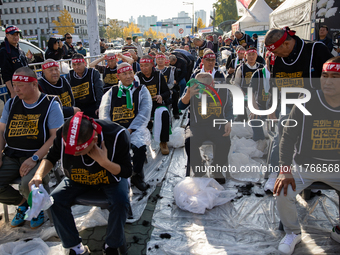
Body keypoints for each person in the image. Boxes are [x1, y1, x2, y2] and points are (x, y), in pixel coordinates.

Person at [29, 112, 132, 255]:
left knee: (121, 201)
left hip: (110, 178)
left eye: (80, 152)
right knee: (55, 201)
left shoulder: (116, 135)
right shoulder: (62, 133)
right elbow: (51, 157)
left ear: (94, 139)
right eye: (72, 152)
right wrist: (38, 175)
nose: (75, 155)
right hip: (78, 178)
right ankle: (75, 247)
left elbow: (126, 171)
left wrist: (104, 162)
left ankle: (111, 245)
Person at [273, 56, 340, 255]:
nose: (327, 81)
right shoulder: (307, 101)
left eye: (335, 77)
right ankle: (293, 232)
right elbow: (287, 136)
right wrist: (284, 169)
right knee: (283, 191)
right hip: (305, 166)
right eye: (325, 75)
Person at [0, 67, 63, 229]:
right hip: (12, 154)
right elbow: (1, 131)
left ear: (34, 84)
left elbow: (55, 137)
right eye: (14, 85)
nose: (15, 89)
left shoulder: (50, 104)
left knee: (28, 184)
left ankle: (38, 208)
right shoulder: (11, 103)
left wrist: (35, 158)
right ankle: (24, 205)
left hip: (40, 157)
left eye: (20, 85)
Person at [264, 26, 333, 168]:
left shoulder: (316, 50)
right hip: (289, 105)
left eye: (276, 52)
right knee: (283, 135)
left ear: (287, 44)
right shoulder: (276, 58)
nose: (275, 55)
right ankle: (275, 173)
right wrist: (272, 105)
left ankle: (313, 176)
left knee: (312, 140)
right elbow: (275, 84)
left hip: (316, 105)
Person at [99, 62, 152, 191]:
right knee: (107, 148)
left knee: (140, 146)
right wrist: (114, 130)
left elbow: (144, 112)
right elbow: (104, 113)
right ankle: (114, 176)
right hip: (115, 131)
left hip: (135, 129)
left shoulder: (141, 90)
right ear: (118, 76)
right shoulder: (112, 92)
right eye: (124, 74)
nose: (128, 76)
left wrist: (130, 129)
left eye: (130, 73)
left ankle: (136, 175)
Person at [178, 72, 233, 184]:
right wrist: (189, 94)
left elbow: (229, 109)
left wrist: (228, 121)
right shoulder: (192, 89)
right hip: (196, 125)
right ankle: (198, 167)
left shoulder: (223, 90)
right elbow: (180, 106)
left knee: (225, 141)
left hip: (216, 124)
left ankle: (217, 169)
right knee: (189, 141)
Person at [136, 55, 171, 155]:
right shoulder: (137, 77)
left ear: (152, 65)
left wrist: (161, 96)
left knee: (164, 113)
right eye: (141, 66)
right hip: (143, 105)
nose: (144, 68)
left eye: (146, 65)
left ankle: (163, 142)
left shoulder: (159, 75)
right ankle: (139, 143)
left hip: (156, 104)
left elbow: (167, 92)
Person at [67, 54, 104, 118]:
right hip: (77, 108)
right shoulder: (70, 75)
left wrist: (99, 106)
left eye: (78, 64)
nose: (76, 67)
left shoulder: (93, 73)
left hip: (92, 105)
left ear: (85, 63)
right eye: (74, 65)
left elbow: (99, 90)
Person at [0, 25, 28, 98]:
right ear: (7, 35)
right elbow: (6, 74)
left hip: (25, 85)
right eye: (13, 35)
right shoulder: (4, 51)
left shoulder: (20, 50)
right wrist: (12, 92)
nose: (16, 37)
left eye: (17, 35)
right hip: (16, 89)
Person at [155, 52, 180, 119]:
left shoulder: (169, 70)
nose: (160, 61)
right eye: (158, 59)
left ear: (165, 60)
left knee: (174, 93)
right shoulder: (154, 70)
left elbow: (171, 82)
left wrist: (164, 89)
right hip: (155, 91)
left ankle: (176, 112)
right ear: (156, 60)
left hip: (167, 90)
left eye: (162, 59)